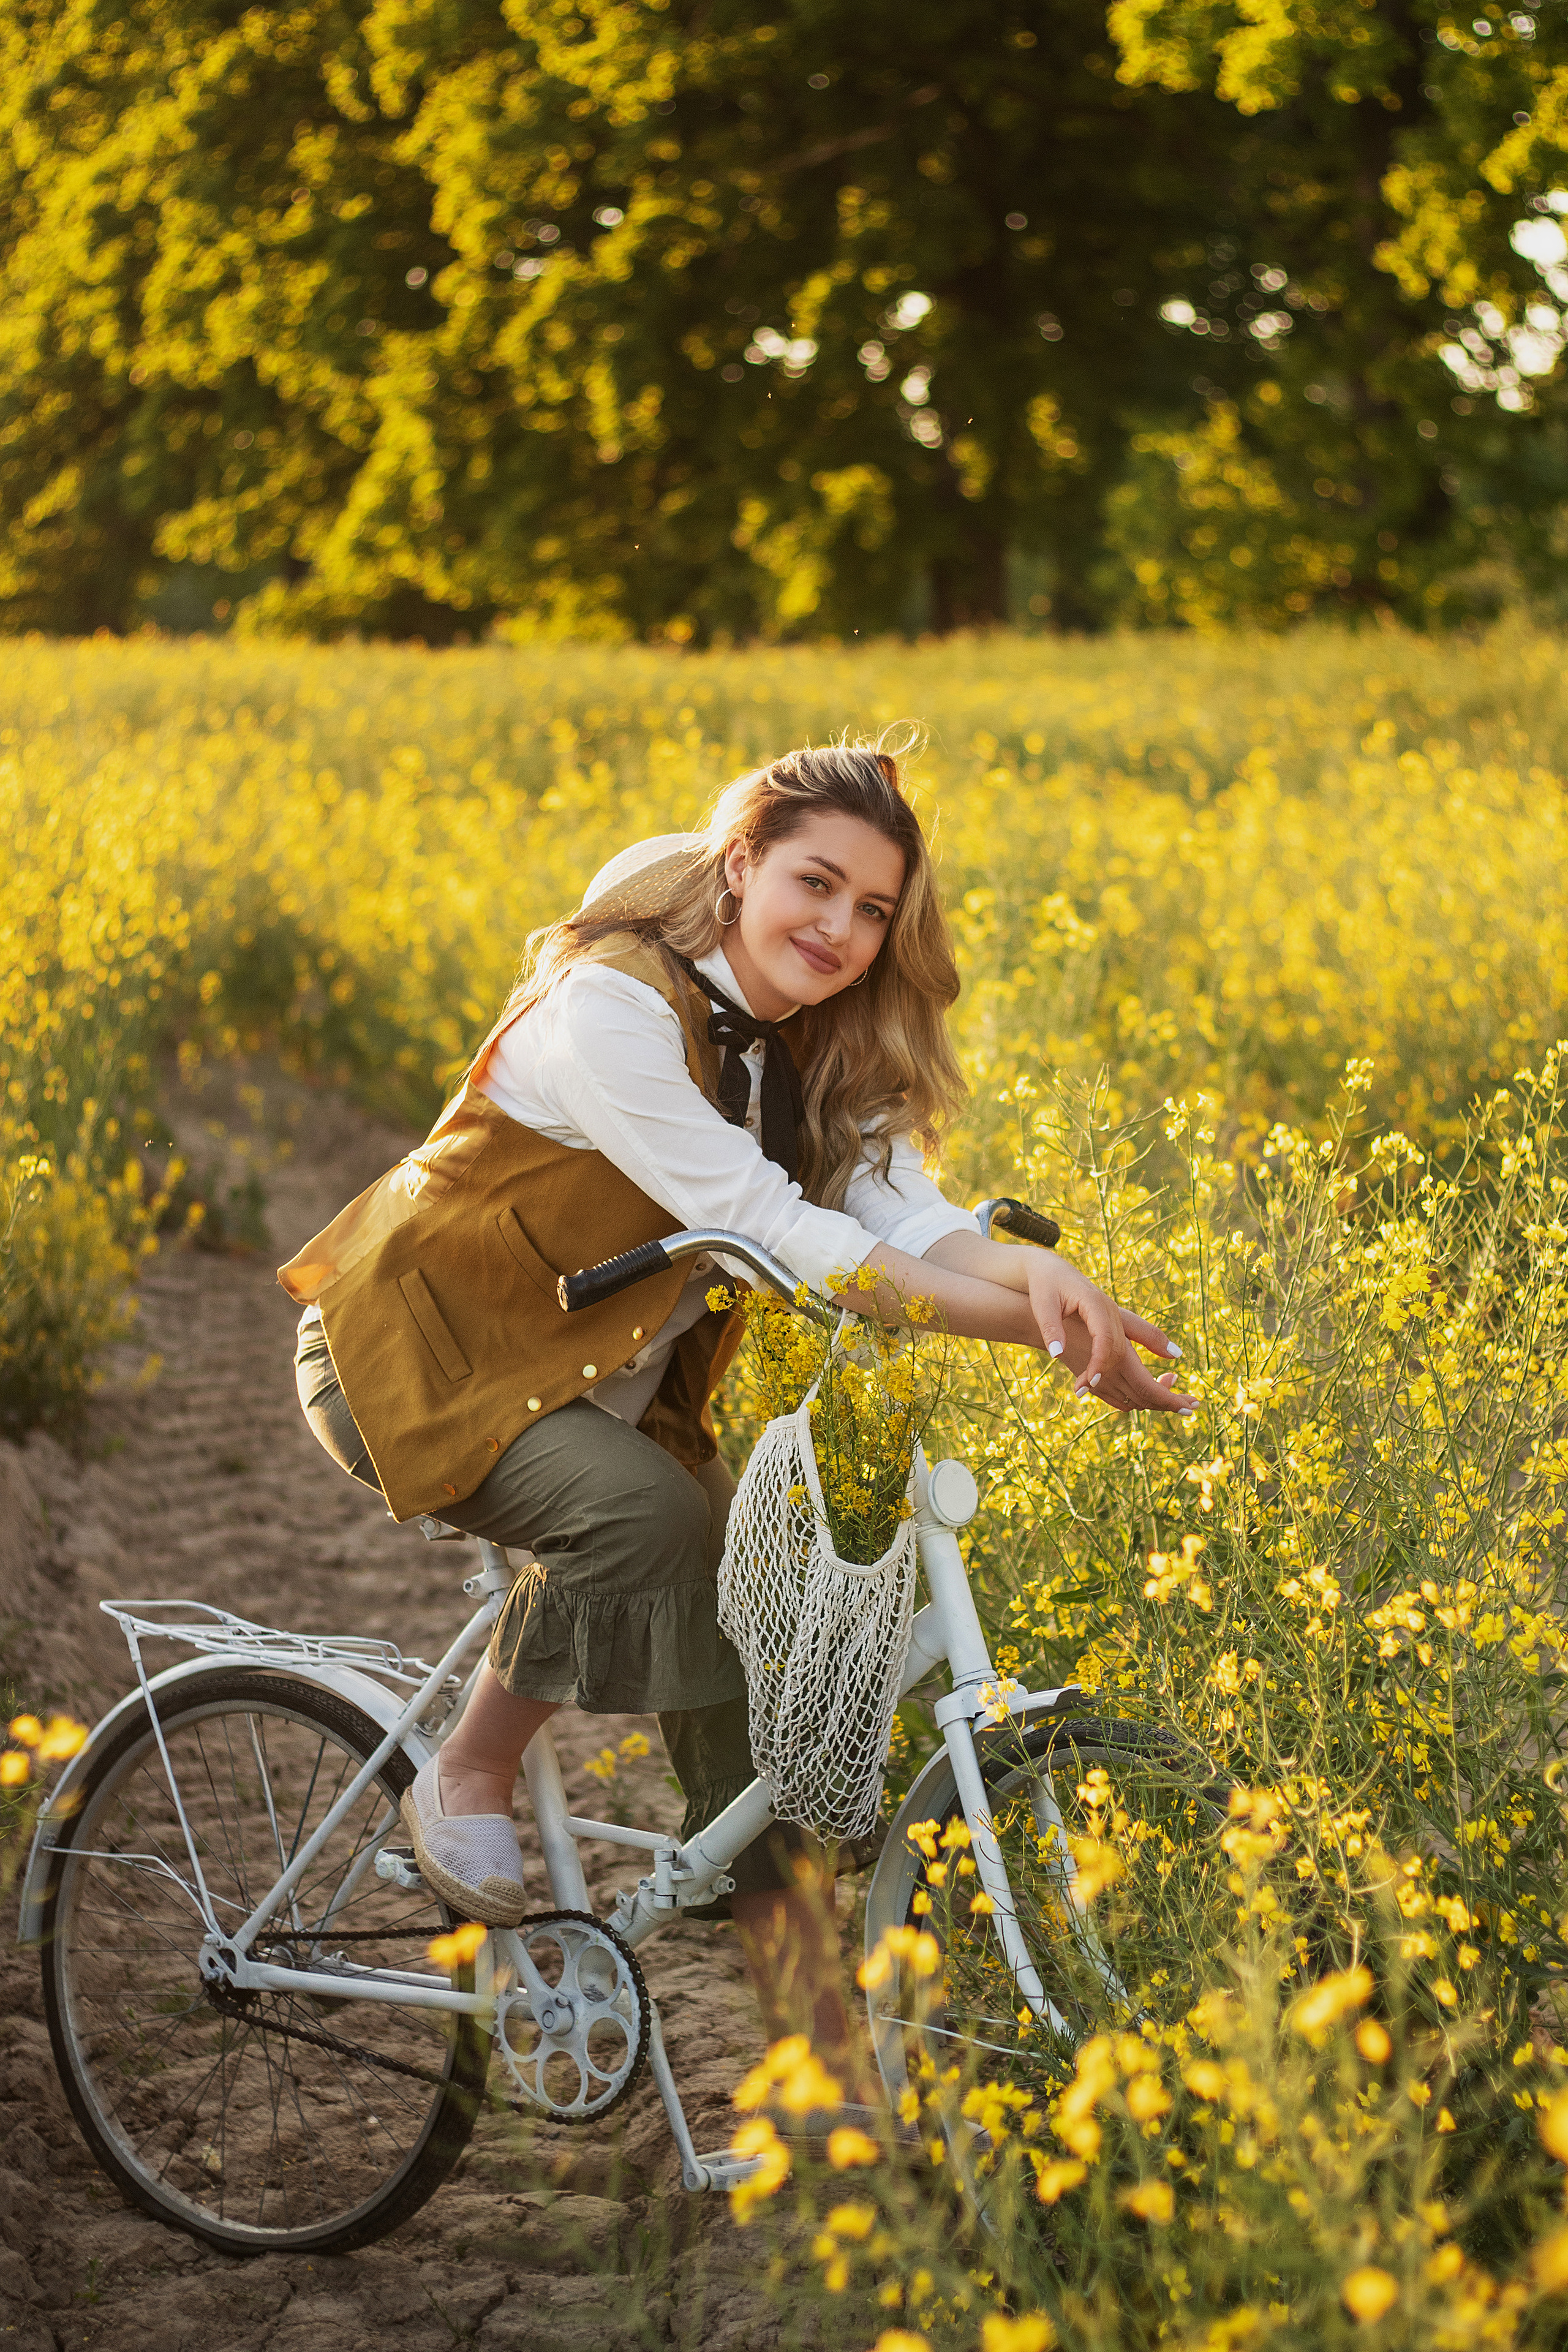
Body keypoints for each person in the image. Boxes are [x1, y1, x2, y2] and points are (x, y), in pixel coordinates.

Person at [281, 741, 1192, 2108]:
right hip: (418, 1356)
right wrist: (1030, 1337)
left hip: (601, 1391)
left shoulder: (813, 1041)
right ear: (737, 866)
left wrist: (1056, 1286)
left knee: (753, 1661)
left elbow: (904, 1216)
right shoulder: (611, 1010)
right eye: (812, 884)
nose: (838, 929)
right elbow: (769, 1226)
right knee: (646, 1523)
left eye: (872, 909)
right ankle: (464, 1772)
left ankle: (819, 2058)